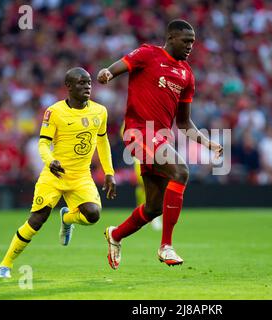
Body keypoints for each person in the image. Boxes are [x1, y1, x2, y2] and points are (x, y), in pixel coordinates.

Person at [97, 19, 223, 268]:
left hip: (160, 138)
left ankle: (115, 235)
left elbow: (184, 123)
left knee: (154, 207)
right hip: (138, 132)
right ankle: (166, 246)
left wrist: (208, 143)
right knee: (181, 171)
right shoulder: (148, 54)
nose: (190, 46)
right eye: (186, 41)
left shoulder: (187, 75)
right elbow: (121, 66)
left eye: (193, 42)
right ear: (171, 37)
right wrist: (108, 73)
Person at [0, 67, 116, 278]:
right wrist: (50, 162)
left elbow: (102, 141)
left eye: (88, 82)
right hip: (55, 174)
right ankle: (5, 264)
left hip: (81, 176)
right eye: (81, 83)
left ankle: (67, 219)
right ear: (68, 87)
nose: (87, 86)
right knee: (37, 220)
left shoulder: (100, 111)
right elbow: (43, 144)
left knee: (93, 215)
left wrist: (109, 172)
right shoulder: (54, 111)